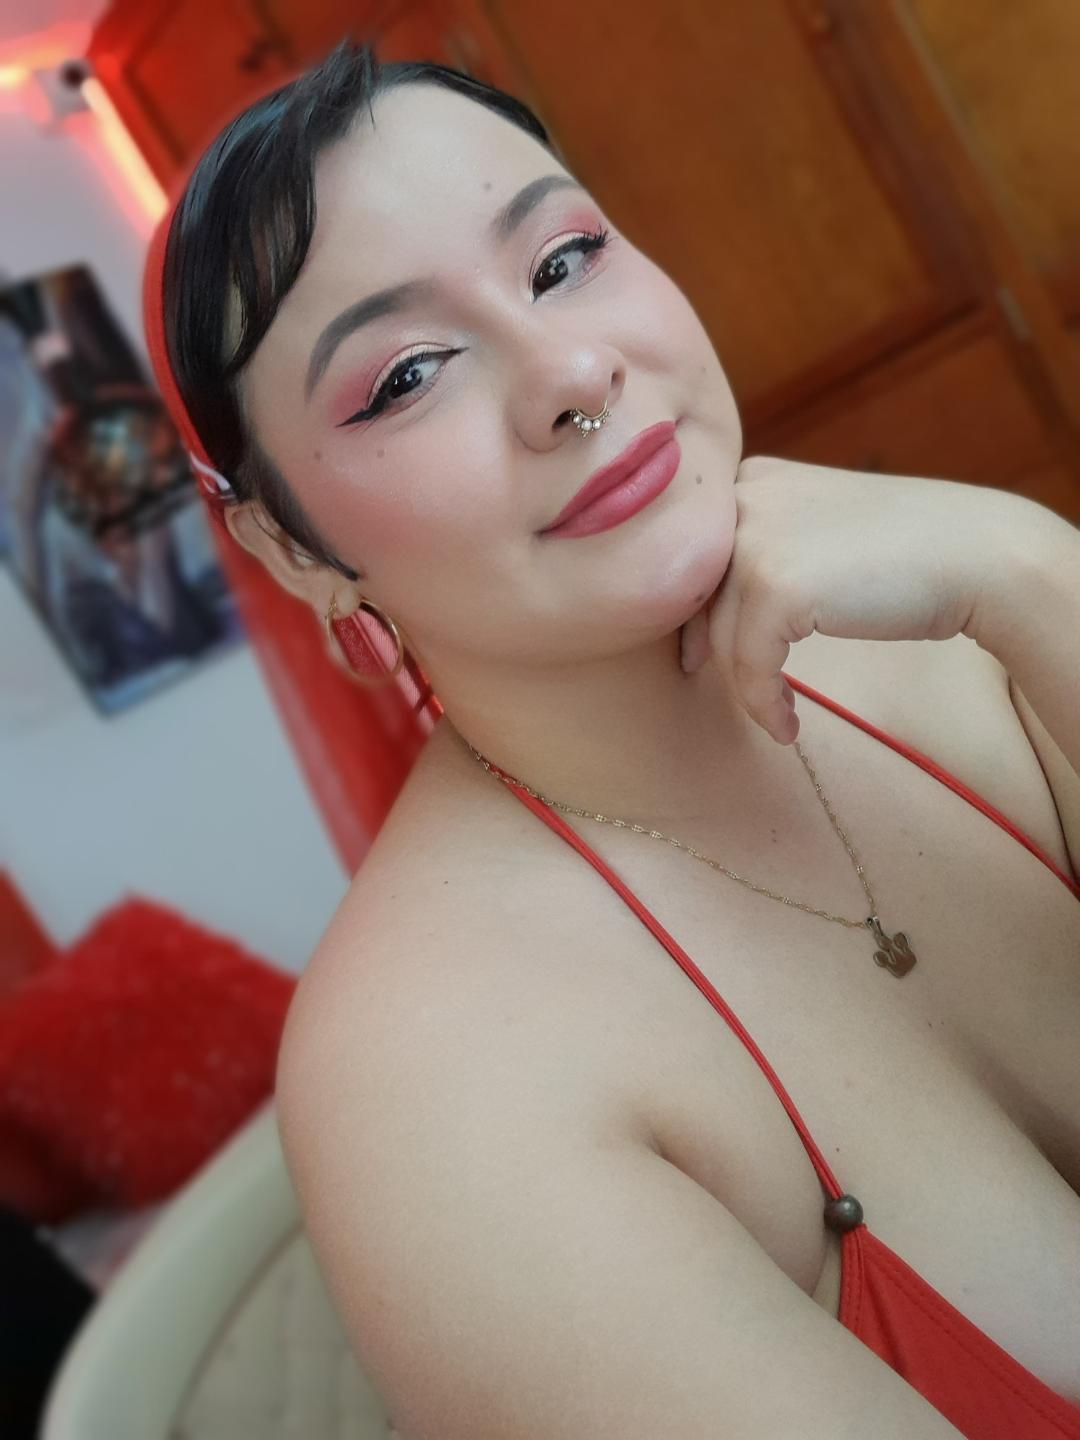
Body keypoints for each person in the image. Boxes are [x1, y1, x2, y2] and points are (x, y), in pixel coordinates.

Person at [146, 39, 1080, 1440]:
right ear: (289, 547)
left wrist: (1038, 574)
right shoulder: (432, 1087)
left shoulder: (965, 628)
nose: (572, 371)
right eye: (408, 375)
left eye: (564, 259)